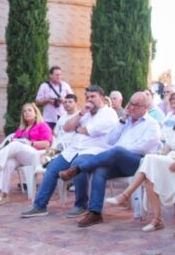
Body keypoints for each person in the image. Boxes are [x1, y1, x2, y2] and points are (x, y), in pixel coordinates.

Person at [56, 92, 162, 227]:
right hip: (117, 159)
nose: (131, 108)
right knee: (100, 170)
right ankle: (95, 213)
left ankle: (78, 169)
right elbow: (109, 140)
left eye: (136, 105)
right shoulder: (125, 121)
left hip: (138, 163)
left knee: (117, 150)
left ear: (145, 108)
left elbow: (144, 147)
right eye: (130, 104)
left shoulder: (152, 124)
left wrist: (120, 150)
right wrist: (122, 121)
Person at [106, 96, 175, 232]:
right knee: (150, 166)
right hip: (170, 162)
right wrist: (158, 155)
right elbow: (166, 149)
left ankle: (125, 196)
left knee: (150, 163)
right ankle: (156, 219)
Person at [20, 86, 119, 218]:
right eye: (87, 97)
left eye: (93, 97)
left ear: (101, 98)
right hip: (72, 150)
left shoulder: (109, 113)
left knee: (77, 165)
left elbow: (90, 130)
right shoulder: (84, 114)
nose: (89, 100)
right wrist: (80, 114)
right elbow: (67, 128)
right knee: (52, 167)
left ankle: (81, 205)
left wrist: (79, 129)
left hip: (94, 150)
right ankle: (40, 205)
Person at [0, 102, 52, 205]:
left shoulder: (42, 125)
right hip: (22, 157)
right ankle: (4, 194)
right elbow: (13, 143)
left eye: (29, 110)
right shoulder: (21, 129)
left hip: (37, 156)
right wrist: (17, 143)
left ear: (36, 113)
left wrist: (31, 143)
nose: (27, 113)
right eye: (24, 111)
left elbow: (47, 143)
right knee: (8, 163)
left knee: (16, 144)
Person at [35, 65, 72, 130]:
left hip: (63, 117)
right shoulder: (44, 86)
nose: (59, 77)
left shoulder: (65, 85)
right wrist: (48, 100)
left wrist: (65, 100)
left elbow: (73, 99)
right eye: (56, 75)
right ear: (50, 76)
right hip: (49, 119)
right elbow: (37, 102)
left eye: (60, 75)